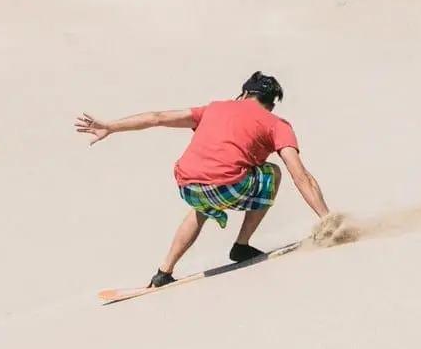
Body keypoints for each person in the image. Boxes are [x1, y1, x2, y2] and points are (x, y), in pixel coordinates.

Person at [74, 71, 332, 288]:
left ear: (244, 94)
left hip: (188, 186)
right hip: (227, 186)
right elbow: (301, 175)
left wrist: (110, 126)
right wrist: (328, 220)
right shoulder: (277, 124)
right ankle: (241, 246)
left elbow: (157, 117)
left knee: (202, 206)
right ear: (272, 104)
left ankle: (164, 272)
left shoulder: (213, 109)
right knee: (272, 172)